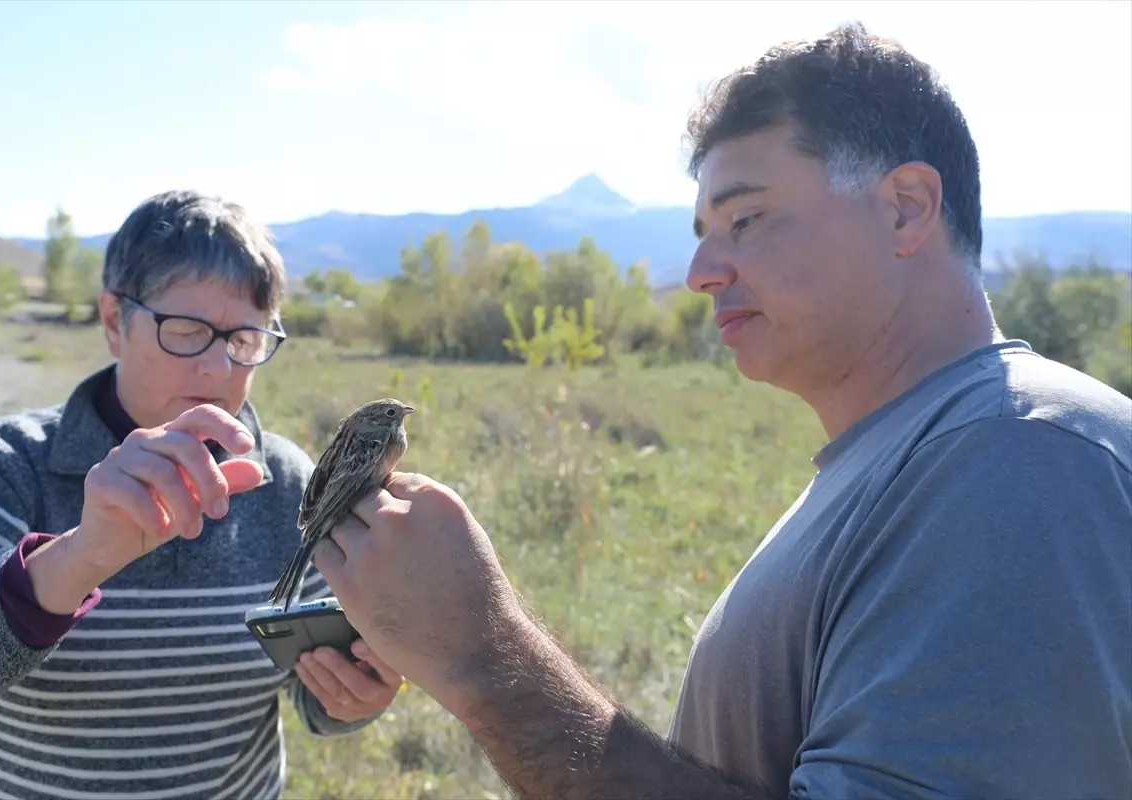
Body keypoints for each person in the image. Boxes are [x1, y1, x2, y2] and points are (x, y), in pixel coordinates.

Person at [308, 22, 1132, 800]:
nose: (701, 270)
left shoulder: (1018, 458)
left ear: (906, 208)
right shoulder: (919, 457)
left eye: (745, 218)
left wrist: (484, 656)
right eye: (703, 231)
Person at [0, 190, 402, 799]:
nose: (216, 369)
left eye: (243, 341)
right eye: (186, 331)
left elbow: (315, 699)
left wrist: (356, 692)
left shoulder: (288, 482)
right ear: (112, 322)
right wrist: (82, 556)